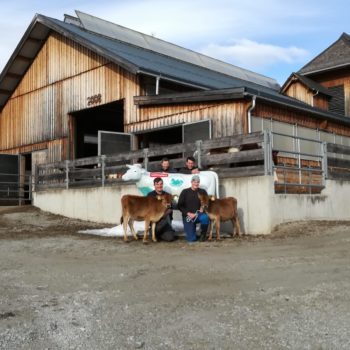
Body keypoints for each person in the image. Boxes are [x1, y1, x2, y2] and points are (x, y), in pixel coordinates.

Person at [177, 175, 209, 242]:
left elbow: (206, 202)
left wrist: (203, 207)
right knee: (191, 239)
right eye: (194, 182)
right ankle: (192, 232)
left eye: (198, 182)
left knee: (205, 217)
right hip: (188, 216)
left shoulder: (202, 191)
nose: (196, 184)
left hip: (198, 215)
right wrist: (188, 213)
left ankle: (203, 235)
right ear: (191, 182)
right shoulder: (185, 192)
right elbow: (179, 206)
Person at [147, 177, 177, 242]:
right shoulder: (150, 195)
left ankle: (158, 234)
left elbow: (175, 206)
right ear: (154, 185)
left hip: (166, 221)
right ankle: (153, 231)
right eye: (157, 184)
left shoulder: (168, 195)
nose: (159, 186)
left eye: (161, 184)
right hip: (155, 221)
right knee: (162, 222)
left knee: (170, 238)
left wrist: (170, 207)